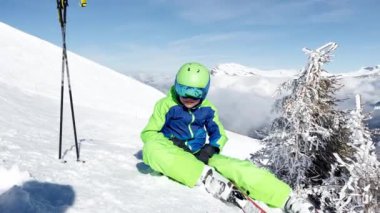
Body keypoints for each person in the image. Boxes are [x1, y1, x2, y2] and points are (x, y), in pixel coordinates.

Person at [141, 62, 315, 212]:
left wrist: (211, 148)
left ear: (205, 92)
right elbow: (149, 133)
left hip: (200, 154)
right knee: (150, 150)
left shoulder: (208, 109)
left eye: (196, 93)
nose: (188, 97)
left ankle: (287, 199)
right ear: (176, 86)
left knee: (239, 167)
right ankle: (206, 178)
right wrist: (171, 142)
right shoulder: (165, 106)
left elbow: (219, 134)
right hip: (173, 154)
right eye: (183, 89)